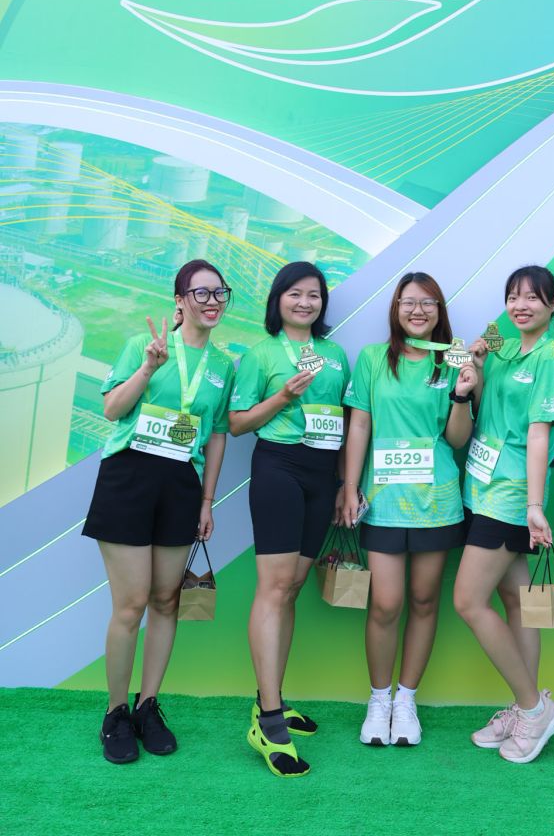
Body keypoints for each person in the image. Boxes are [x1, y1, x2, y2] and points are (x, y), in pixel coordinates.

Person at [83, 259, 234, 764]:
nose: (211, 302)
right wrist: (149, 366)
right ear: (179, 300)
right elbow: (111, 410)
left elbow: (216, 435)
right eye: (201, 293)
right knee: (130, 605)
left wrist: (207, 500)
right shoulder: (143, 346)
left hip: (181, 484)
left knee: (166, 600)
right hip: (129, 477)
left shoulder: (223, 366)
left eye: (219, 293)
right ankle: (116, 712)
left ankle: (148, 707)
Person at [342, 272, 477, 748]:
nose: (418, 311)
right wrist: (349, 486)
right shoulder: (373, 358)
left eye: (428, 303)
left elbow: (457, 439)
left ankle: (406, 700)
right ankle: (379, 700)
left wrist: (462, 393)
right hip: (382, 502)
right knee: (385, 603)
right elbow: (360, 425)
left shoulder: (453, 361)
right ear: (395, 308)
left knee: (423, 601)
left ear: (440, 311)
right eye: (408, 302)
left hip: (436, 502)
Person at [229, 261, 350, 779]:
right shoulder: (260, 355)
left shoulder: (335, 355)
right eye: (295, 293)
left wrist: (343, 484)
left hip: (323, 474)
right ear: (278, 299)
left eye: (314, 295)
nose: (305, 302)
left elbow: (345, 422)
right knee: (274, 587)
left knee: (293, 587)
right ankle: (270, 721)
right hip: (279, 466)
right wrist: (283, 397)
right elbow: (236, 423)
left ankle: (270, 697)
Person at [453, 265, 554, 763]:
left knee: (468, 601)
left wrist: (534, 506)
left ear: (552, 305)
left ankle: (533, 708)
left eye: (533, 298)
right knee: (516, 601)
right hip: (480, 486)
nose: (521, 306)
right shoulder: (503, 346)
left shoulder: (551, 356)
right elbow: (485, 402)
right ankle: (526, 708)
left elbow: (540, 433)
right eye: (514, 297)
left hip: (510, 494)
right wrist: (476, 367)